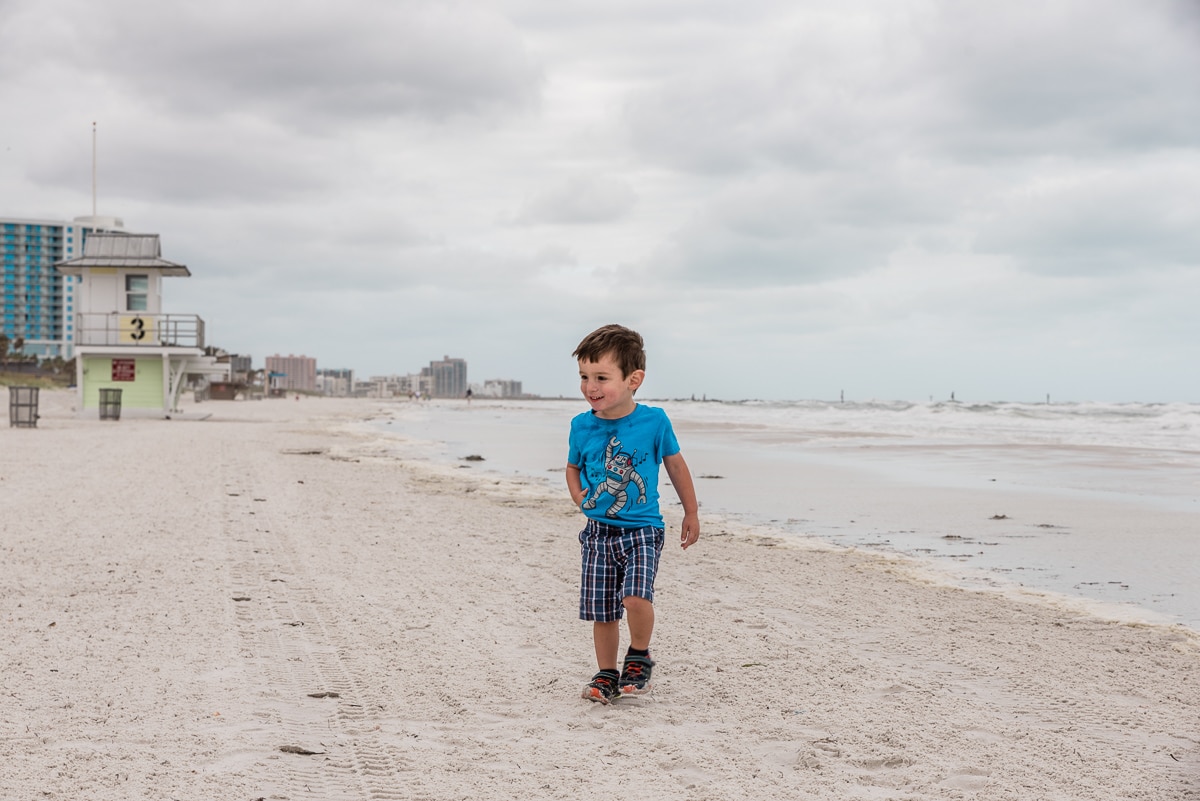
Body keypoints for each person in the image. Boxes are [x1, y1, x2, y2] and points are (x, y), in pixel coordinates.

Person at [566, 324, 700, 704]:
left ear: (633, 379)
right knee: (603, 609)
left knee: (635, 597)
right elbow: (573, 467)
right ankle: (607, 672)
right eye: (584, 377)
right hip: (597, 532)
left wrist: (691, 512)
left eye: (601, 378)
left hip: (642, 529)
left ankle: (639, 656)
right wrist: (579, 496)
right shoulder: (581, 426)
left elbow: (675, 466)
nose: (590, 387)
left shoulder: (654, 422)